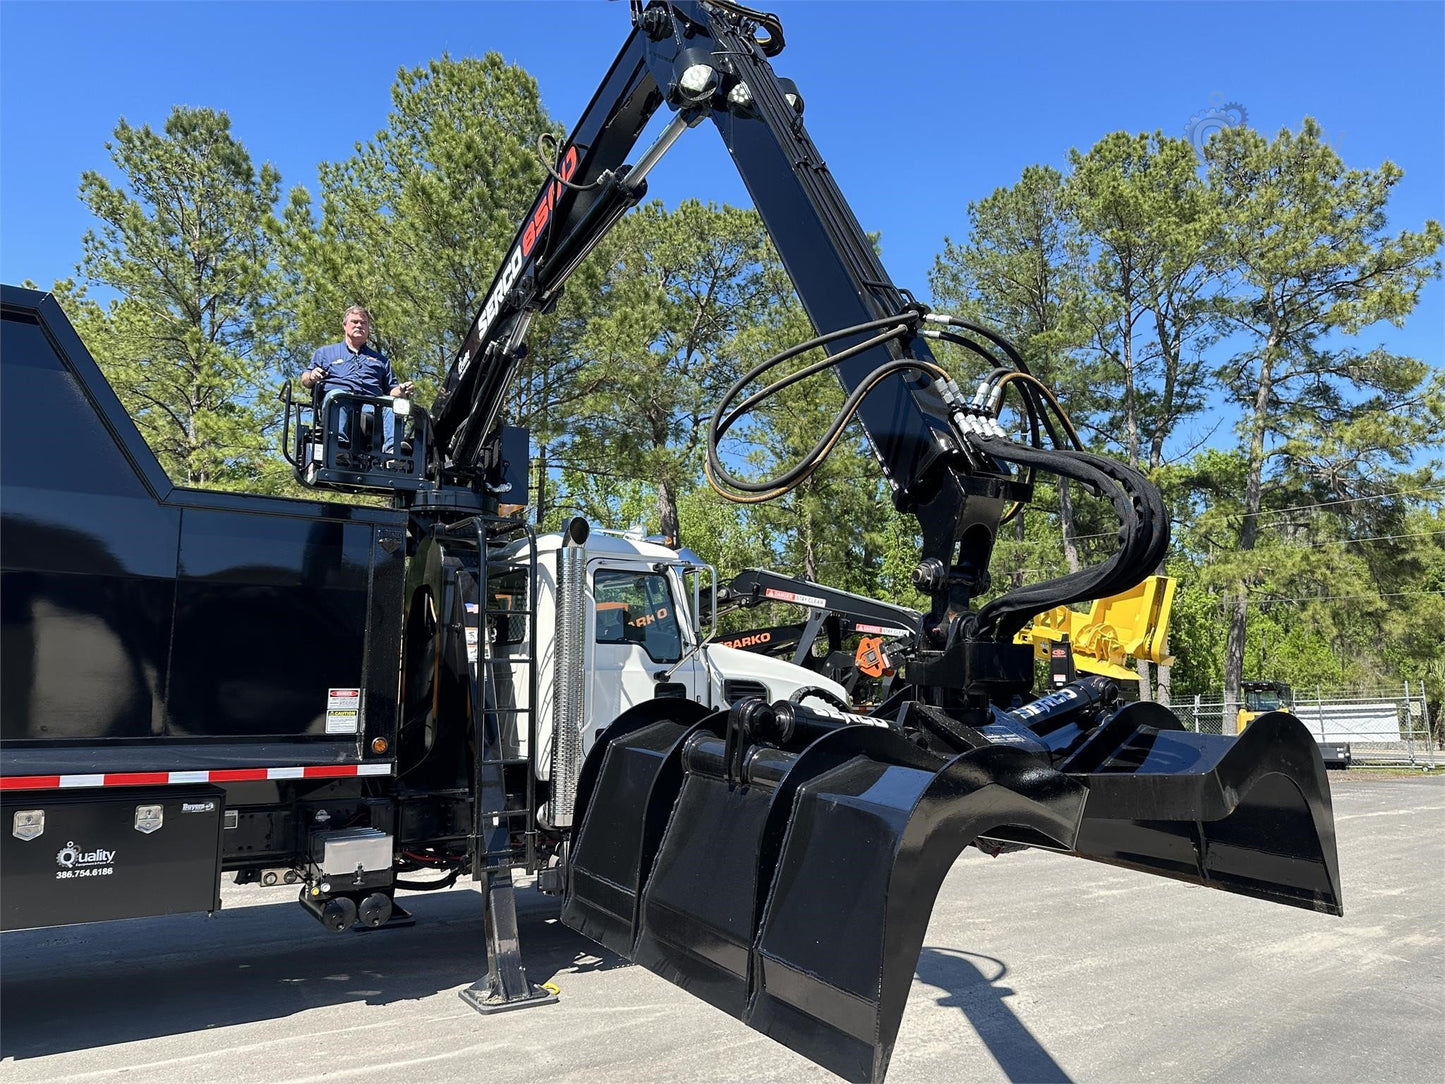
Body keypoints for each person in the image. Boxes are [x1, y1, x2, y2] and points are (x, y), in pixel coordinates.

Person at [301, 306, 414, 456]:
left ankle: (393, 452)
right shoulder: (325, 353)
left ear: (368, 328)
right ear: (344, 325)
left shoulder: (381, 360)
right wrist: (312, 376)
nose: (359, 325)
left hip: (372, 405)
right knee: (337, 395)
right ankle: (339, 447)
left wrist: (402, 390)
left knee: (393, 403)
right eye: (354, 322)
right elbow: (305, 379)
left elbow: (391, 390)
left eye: (364, 323)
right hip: (339, 402)